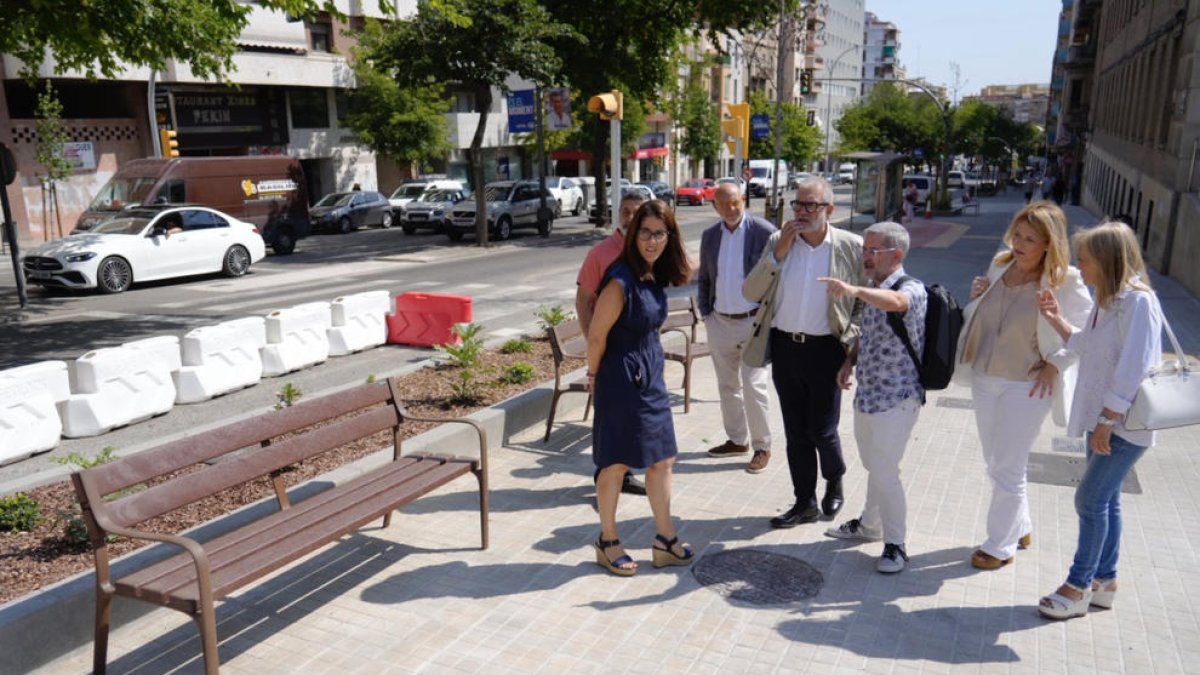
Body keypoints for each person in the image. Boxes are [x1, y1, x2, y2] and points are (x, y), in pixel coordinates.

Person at [1035, 221, 1163, 619]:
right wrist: (1057, 319)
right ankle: (1105, 581)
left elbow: (1134, 366)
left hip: (1122, 423)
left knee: (1089, 500)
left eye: (1085, 259)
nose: (1080, 266)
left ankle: (1078, 587)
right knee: (1105, 501)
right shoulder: (1108, 301)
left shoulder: (1137, 303)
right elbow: (1085, 346)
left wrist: (1108, 418)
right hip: (1104, 419)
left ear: (1107, 260)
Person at [958, 202, 1093, 570]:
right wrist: (978, 296)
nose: (1018, 243)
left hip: (1029, 384)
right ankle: (1022, 526)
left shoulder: (1066, 280)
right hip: (986, 377)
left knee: (1008, 466)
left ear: (1049, 244)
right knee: (994, 461)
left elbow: (1084, 334)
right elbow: (984, 315)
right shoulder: (1001, 264)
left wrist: (1056, 365)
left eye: (1029, 239)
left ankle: (1000, 547)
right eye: (1016, 234)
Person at [743, 175, 865, 528]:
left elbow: (862, 302)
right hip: (784, 347)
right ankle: (804, 502)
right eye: (797, 204)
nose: (801, 212)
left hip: (826, 349)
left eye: (810, 205)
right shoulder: (778, 242)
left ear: (829, 209)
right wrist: (778, 254)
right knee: (796, 431)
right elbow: (751, 291)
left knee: (822, 429)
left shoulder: (849, 246)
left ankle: (835, 478)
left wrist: (851, 343)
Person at [587, 199, 694, 576]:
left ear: (669, 236)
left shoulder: (653, 274)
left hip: (650, 374)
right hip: (620, 375)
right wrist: (594, 377)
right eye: (645, 233)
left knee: (663, 458)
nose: (652, 241)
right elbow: (597, 336)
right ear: (633, 235)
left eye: (659, 233)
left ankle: (664, 539)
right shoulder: (620, 279)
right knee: (615, 462)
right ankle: (608, 539)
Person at [821, 221, 927, 574]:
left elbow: (896, 304)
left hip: (898, 397)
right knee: (874, 466)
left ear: (896, 255)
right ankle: (869, 525)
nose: (865, 256)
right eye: (864, 249)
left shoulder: (911, 289)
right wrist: (849, 362)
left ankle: (896, 544)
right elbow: (870, 332)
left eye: (873, 251)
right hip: (868, 393)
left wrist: (853, 290)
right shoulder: (872, 286)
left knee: (885, 470)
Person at [696, 183, 776, 473]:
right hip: (720, 321)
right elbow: (704, 277)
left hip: (753, 322)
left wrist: (769, 317)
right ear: (715, 206)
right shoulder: (710, 236)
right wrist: (706, 313)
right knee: (727, 385)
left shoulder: (764, 231)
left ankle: (762, 446)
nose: (731, 209)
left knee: (754, 385)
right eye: (724, 204)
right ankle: (736, 440)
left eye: (736, 203)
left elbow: (779, 275)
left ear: (744, 201)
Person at [576, 191, 650, 496]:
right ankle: (604, 480)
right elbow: (582, 301)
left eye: (636, 212)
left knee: (634, 415)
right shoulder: (601, 253)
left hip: (640, 350)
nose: (629, 217)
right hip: (610, 349)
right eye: (625, 211)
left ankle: (624, 473)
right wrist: (592, 339)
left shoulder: (649, 251)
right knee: (609, 417)